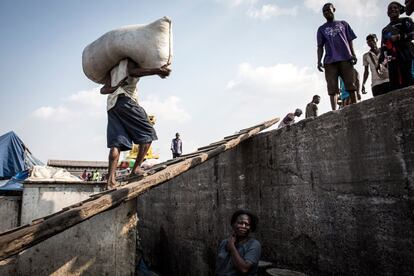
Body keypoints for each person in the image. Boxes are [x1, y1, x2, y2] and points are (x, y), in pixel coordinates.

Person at [101, 58, 171, 189]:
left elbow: (103, 90)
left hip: (112, 106)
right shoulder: (130, 59)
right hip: (126, 100)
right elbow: (133, 72)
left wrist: (114, 88)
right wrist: (157, 71)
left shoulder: (111, 69)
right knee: (148, 132)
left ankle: (110, 181)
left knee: (117, 143)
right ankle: (135, 169)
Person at [317, 3, 358, 110]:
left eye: (328, 10)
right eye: (324, 11)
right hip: (330, 61)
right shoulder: (321, 29)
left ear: (333, 9)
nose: (327, 12)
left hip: (345, 57)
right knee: (332, 87)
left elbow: (349, 40)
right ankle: (334, 110)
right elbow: (320, 46)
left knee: (350, 84)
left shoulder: (343, 24)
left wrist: (353, 54)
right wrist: (319, 61)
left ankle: (356, 106)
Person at [378, 2, 414, 90]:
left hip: (407, 54)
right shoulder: (385, 30)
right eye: (390, 8)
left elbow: (412, 33)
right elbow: (383, 46)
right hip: (392, 59)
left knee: (410, 80)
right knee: (395, 85)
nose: (393, 9)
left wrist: (400, 36)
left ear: (399, 10)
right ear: (387, 13)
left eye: (395, 8)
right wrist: (379, 61)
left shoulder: (406, 20)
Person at [215, 210, 261, 276]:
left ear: (251, 228)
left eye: (247, 224)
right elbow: (218, 267)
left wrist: (232, 247)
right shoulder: (224, 242)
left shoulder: (254, 244)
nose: (243, 226)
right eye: (240, 223)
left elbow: (244, 269)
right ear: (233, 224)